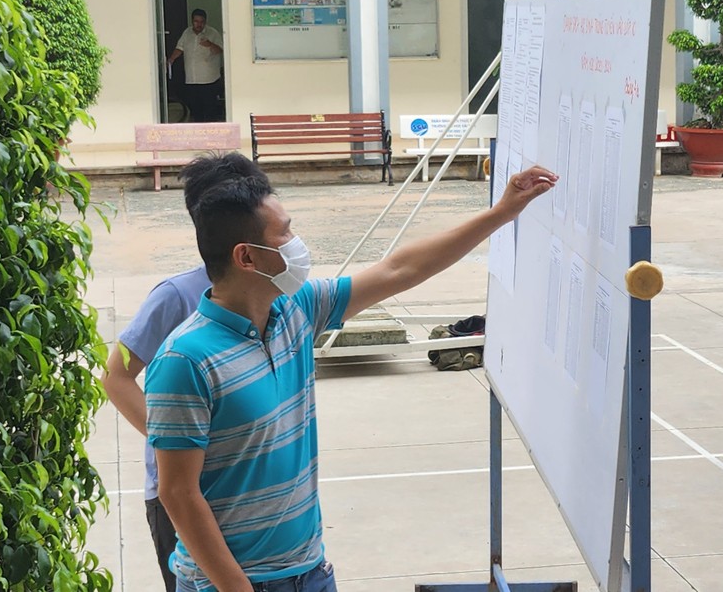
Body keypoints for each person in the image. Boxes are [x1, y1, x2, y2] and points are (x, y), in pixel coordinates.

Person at [145, 153, 559, 592]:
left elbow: (400, 269)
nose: (296, 242)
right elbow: (178, 494)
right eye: (284, 233)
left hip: (311, 571)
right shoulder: (184, 360)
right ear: (247, 257)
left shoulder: (296, 310)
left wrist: (501, 213)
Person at [101, 154, 268, 592]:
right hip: (178, 491)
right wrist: (171, 442)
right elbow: (116, 376)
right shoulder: (176, 297)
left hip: (246, 491)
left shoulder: (274, 294)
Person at [167, 8, 224, 122]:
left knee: (209, 110)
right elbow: (180, 48)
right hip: (192, 79)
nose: (199, 24)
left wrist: (209, 44)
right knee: (195, 109)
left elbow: (220, 50)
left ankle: (211, 135)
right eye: (196, 21)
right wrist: (171, 60)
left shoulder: (213, 33)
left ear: (205, 21)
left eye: (202, 22)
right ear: (192, 21)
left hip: (209, 79)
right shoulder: (187, 33)